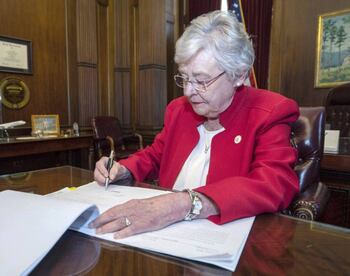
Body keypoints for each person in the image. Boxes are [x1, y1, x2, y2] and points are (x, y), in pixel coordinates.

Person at [89, 10, 299, 239]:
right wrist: (123, 169)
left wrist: (182, 204)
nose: (189, 91)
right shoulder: (178, 109)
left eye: (201, 80)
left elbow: (274, 184)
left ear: (238, 75)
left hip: (227, 239)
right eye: (184, 78)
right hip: (165, 234)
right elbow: (156, 155)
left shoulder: (271, 112)